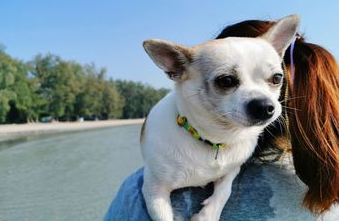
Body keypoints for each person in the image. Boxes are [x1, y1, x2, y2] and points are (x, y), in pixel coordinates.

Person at [105, 20, 339, 221]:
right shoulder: (328, 185)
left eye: (274, 79)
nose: (262, 100)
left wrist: (220, 199)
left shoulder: (132, 195)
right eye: (226, 81)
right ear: (177, 68)